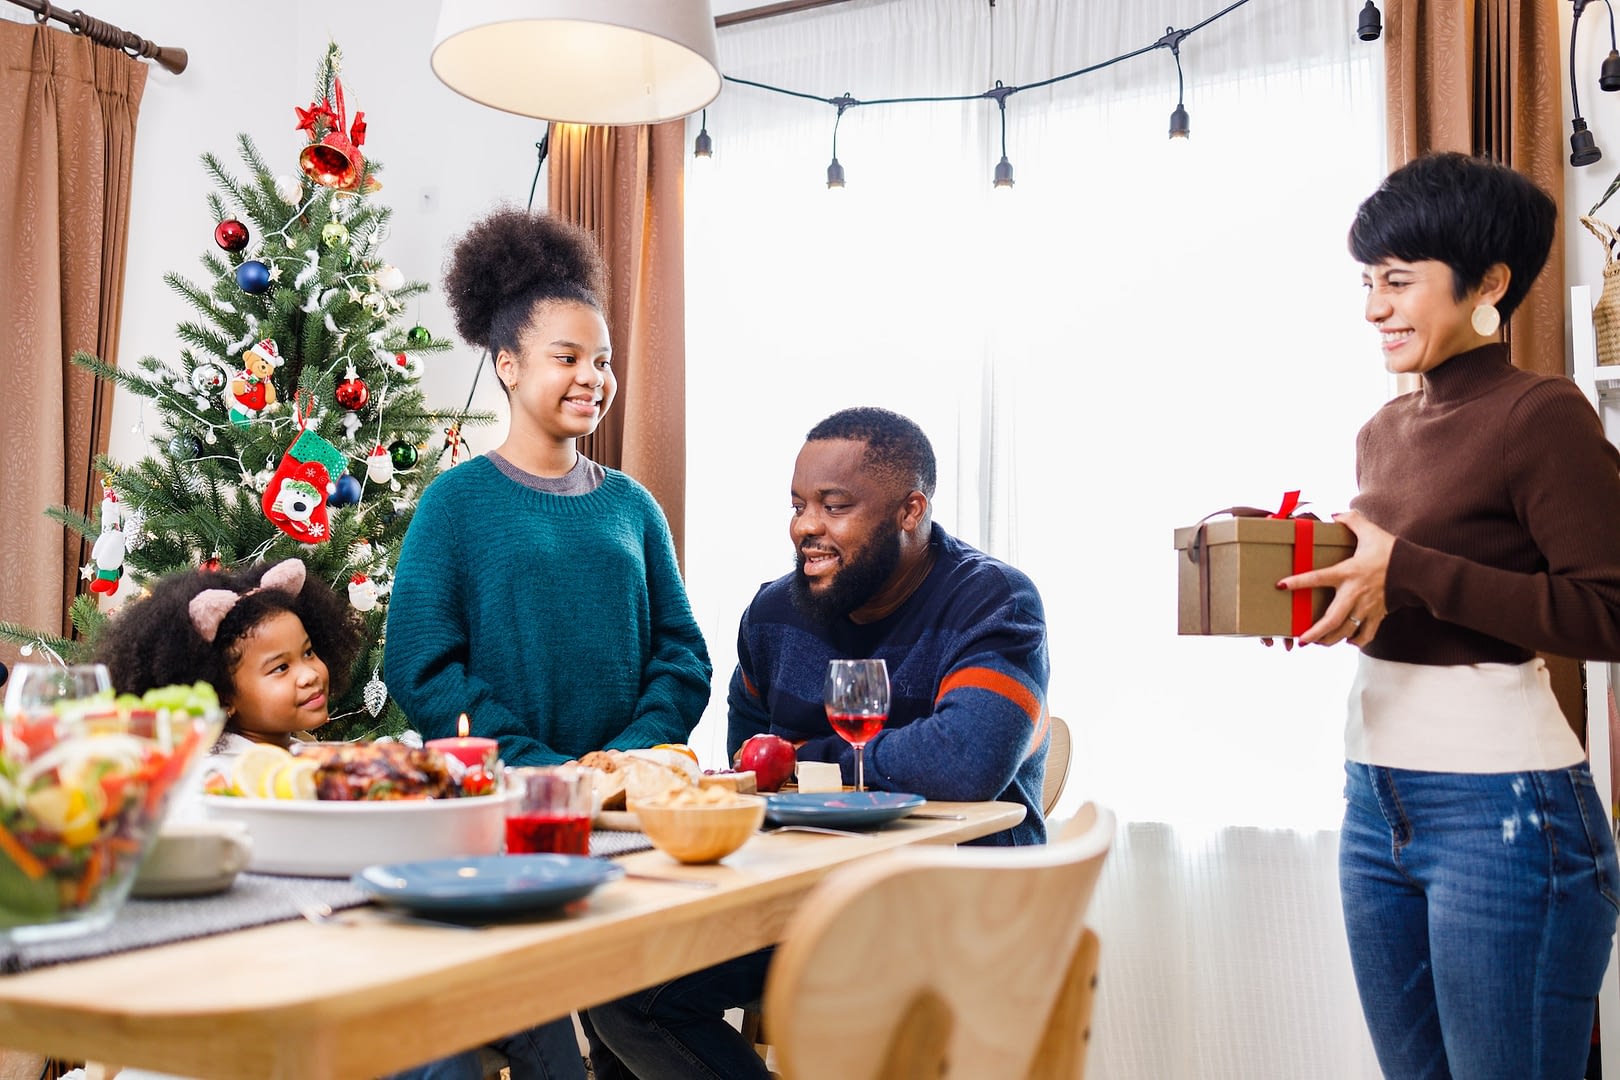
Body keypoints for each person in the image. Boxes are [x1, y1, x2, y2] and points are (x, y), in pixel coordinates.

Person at [1278, 152, 1620, 1078]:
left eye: (1397, 280)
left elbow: (1609, 612)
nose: (1373, 307)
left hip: (1506, 812)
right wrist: (1333, 601)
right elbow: (1408, 595)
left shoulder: (1541, 415)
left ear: (1490, 283)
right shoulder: (1383, 431)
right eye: (1365, 281)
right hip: (1374, 796)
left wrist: (1412, 568)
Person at [588, 406, 1050, 1079]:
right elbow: (754, 775)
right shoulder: (773, 615)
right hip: (813, 906)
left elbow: (965, 761)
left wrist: (807, 760)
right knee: (621, 988)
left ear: (909, 510)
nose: (806, 526)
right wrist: (830, 767)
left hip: (959, 912)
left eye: (834, 506)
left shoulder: (993, 601)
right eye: (799, 504)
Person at [384, 207, 711, 1080]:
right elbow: (418, 665)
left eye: (601, 360)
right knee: (533, 1029)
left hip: (628, 814)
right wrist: (537, 769)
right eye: (568, 358)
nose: (592, 378)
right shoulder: (454, 505)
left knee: (640, 1011)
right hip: (508, 818)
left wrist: (624, 760)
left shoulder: (633, 506)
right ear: (508, 364)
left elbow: (682, 654)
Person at [97, 557, 359, 763]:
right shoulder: (223, 777)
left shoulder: (301, 749)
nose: (309, 675)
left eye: (308, 652)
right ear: (223, 698)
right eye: (281, 667)